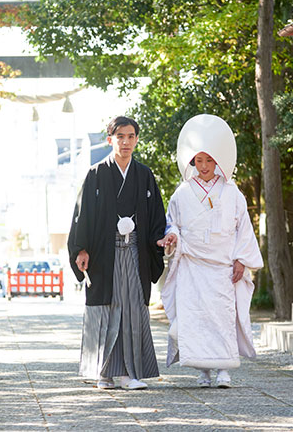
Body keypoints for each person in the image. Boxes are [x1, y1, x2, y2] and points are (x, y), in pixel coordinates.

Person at [159, 114, 263, 388]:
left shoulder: (233, 192)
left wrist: (242, 259)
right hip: (192, 265)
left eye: (209, 160)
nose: (204, 166)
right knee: (195, 318)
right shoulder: (181, 193)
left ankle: (223, 370)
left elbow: (243, 228)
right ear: (192, 162)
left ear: (218, 161)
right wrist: (171, 236)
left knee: (222, 317)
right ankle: (202, 371)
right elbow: (172, 223)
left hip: (222, 266)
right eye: (199, 160)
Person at [68, 116, 167, 390]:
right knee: (107, 309)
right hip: (104, 252)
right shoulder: (96, 174)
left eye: (131, 136)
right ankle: (103, 372)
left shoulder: (144, 175)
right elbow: (81, 216)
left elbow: (156, 215)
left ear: (137, 139)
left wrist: (158, 240)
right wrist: (80, 249)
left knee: (133, 307)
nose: (126, 142)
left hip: (135, 250)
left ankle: (128, 372)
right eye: (120, 136)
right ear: (110, 139)